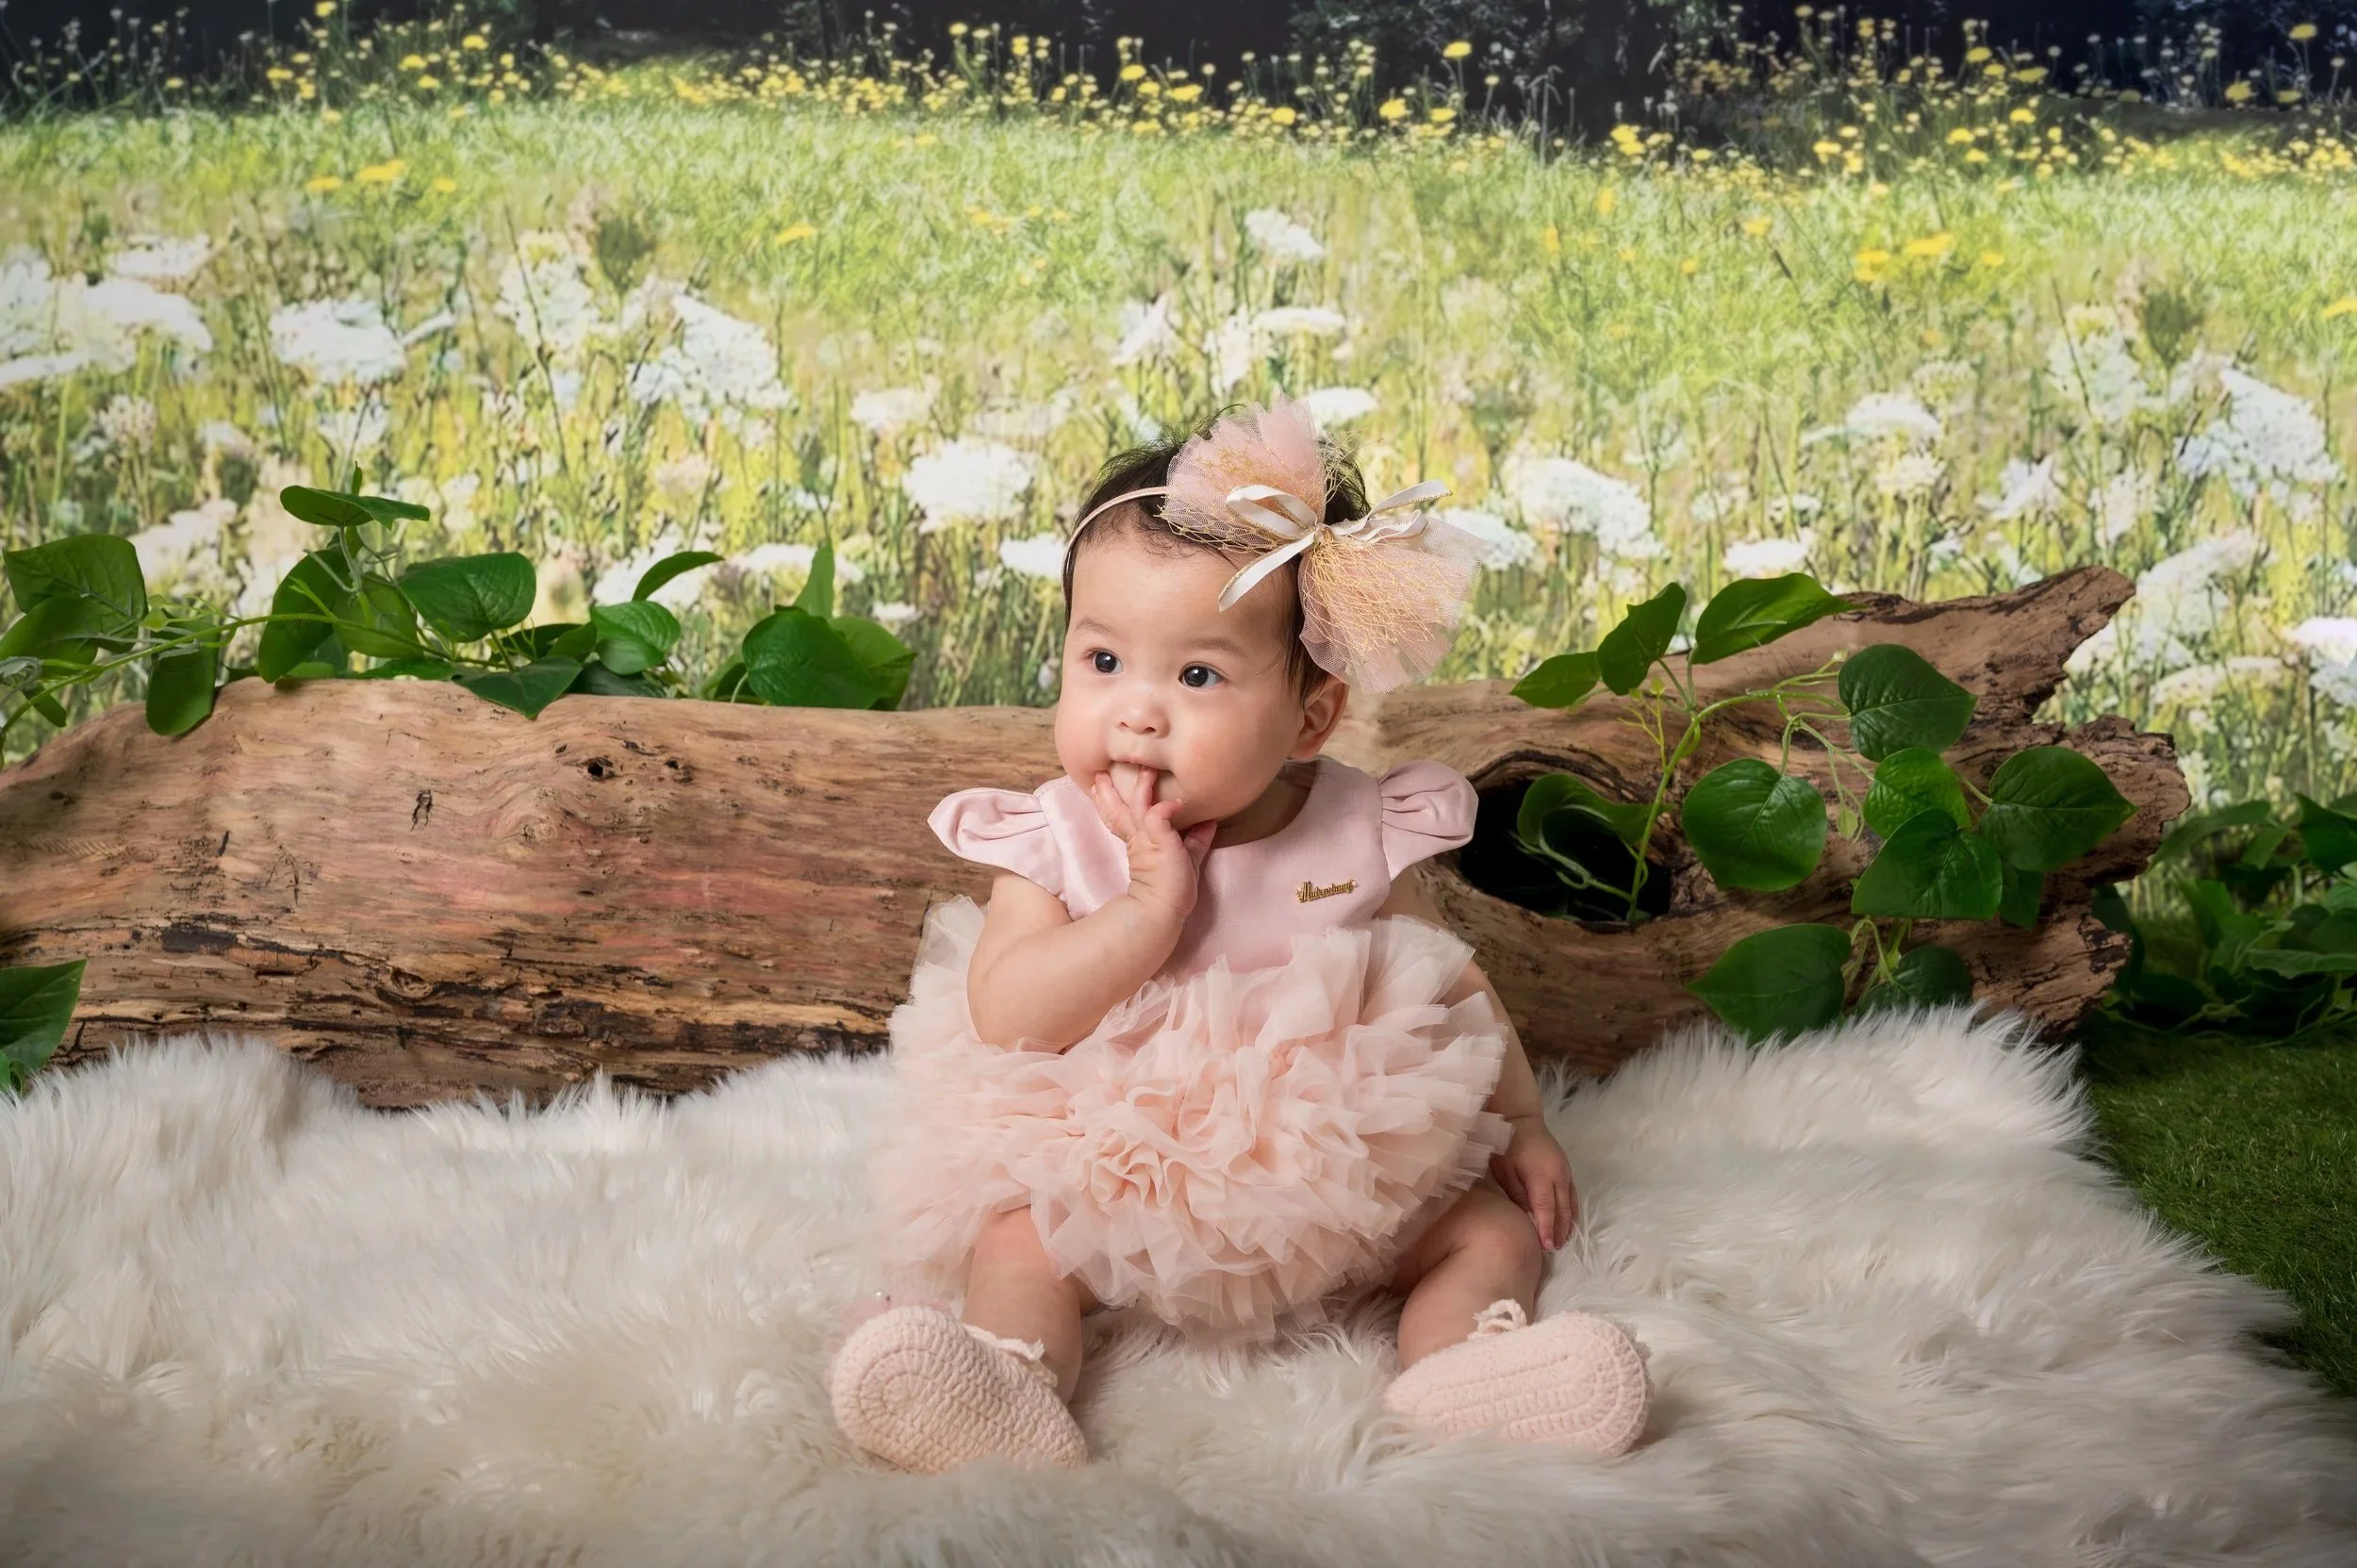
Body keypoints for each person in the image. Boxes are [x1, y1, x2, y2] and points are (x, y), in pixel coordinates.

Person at [829, 394, 1650, 1475]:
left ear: (1310, 717)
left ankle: (1468, 1366)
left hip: (1332, 1168)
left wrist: (1526, 1123)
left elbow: (1447, 983)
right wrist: (1143, 912)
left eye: (1197, 675)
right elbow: (1009, 1012)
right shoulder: (1057, 837)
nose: (1137, 711)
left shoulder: (1353, 825)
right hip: (1106, 1170)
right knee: (1018, 1243)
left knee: (1486, 1231)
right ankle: (1007, 1378)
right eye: (1102, 661)